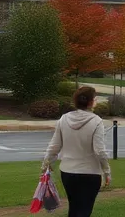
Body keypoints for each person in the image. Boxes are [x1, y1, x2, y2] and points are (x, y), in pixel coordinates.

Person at [43, 85, 112, 217]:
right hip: (90, 173)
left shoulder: (64, 119)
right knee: (84, 210)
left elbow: (54, 146)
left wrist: (46, 164)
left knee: (74, 209)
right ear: (91, 102)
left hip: (68, 172)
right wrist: (107, 171)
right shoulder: (96, 121)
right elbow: (100, 151)